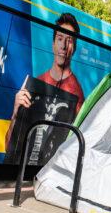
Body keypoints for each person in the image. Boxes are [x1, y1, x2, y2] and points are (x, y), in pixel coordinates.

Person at [5, 12, 85, 150]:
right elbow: (9, 146)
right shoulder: (37, 83)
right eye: (60, 39)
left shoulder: (76, 95)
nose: (64, 46)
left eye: (69, 40)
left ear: (74, 49)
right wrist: (15, 113)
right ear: (53, 43)